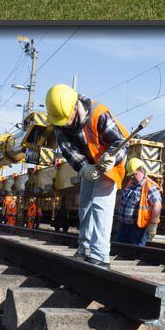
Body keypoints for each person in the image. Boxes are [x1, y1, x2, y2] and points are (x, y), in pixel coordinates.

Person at [46, 83, 128, 268]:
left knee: (100, 204)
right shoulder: (59, 121)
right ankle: (84, 249)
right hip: (90, 164)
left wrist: (111, 159)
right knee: (85, 205)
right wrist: (84, 168)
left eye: (68, 119)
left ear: (75, 107)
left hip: (110, 162)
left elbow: (121, 141)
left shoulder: (99, 114)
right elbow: (68, 150)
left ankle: (100, 255)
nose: (65, 124)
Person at [112, 158, 162, 246]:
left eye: (133, 174)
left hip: (138, 227)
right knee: (120, 250)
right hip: (123, 226)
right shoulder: (131, 183)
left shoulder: (149, 186)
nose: (131, 177)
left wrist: (153, 224)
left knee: (134, 252)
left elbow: (157, 205)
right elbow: (122, 198)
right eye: (130, 174)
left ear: (141, 171)